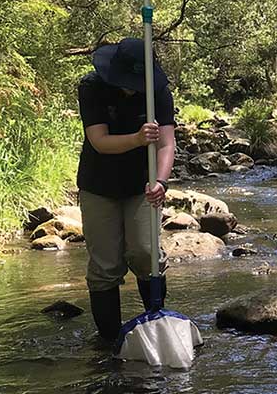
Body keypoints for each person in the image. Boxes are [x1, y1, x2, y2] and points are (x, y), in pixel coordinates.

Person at [77, 38, 176, 342]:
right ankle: (110, 341)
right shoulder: (92, 87)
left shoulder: (158, 91)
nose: (131, 89)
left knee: (146, 253)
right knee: (105, 265)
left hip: (141, 185)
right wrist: (135, 139)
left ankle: (156, 321)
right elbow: (99, 141)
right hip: (99, 185)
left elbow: (167, 143)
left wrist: (160, 182)